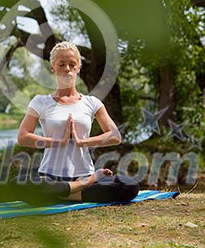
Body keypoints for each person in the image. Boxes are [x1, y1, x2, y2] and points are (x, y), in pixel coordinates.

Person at [15, 41, 139, 205]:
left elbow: (115, 136)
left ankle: (61, 194)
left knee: (129, 186)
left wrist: (83, 142)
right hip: (51, 178)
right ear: (53, 68)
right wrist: (58, 142)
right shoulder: (40, 102)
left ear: (79, 67)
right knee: (18, 183)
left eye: (72, 64)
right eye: (62, 64)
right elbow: (23, 137)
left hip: (84, 174)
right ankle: (74, 191)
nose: (67, 68)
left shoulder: (92, 102)